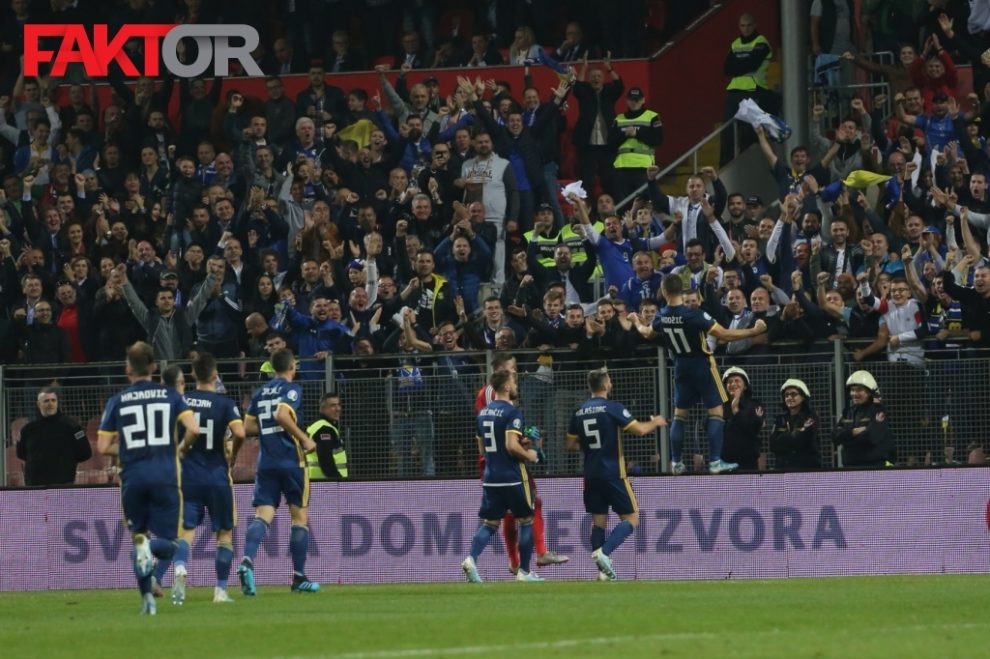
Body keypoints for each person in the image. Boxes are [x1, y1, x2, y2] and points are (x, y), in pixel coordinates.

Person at [96, 341, 199, 616]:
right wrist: (179, 449)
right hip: (165, 474)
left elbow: (103, 446)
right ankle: (149, 549)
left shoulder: (117, 401)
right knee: (171, 543)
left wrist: (128, 449)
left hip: (132, 476)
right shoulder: (171, 396)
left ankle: (147, 601)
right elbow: (193, 429)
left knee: (138, 537)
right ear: (154, 367)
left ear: (127, 369)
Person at [631, 275, 767, 474]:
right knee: (716, 412)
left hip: (680, 366)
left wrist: (636, 320)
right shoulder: (694, 315)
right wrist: (753, 331)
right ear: (681, 290)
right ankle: (715, 461)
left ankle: (676, 462)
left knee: (679, 414)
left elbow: (647, 333)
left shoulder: (662, 315)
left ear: (664, 291)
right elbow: (724, 334)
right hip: (702, 365)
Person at [232, 348, 319, 595]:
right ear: (293, 366)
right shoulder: (292, 389)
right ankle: (299, 577)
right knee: (299, 518)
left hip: (266, 461)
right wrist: (304, 438)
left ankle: (247, 561)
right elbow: (282, 414)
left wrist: (267, 428)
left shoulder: (260, 392)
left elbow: (248, 425)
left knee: (262, 515)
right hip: (291, 460)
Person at [565, 367, 666, 581]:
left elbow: (571, 444)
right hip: (612, 473)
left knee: (599, 522)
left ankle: (603, 573)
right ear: (605, 385)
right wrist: (656, 422)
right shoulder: (612, 408)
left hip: (590, 474)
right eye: (609, 380)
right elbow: (639, 430)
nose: (611, 383)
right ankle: (604, 552)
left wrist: (591, 447)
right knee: (632, 518)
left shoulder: (579, 411)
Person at [473, 352, 569, 575]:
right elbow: (499, 425)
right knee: (521, 511)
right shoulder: (493, 394)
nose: (515, 372)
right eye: (512, 368)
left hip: (494, 461)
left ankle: (518, 560)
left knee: (521, 508)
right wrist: (526, 446)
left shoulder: (488, 395)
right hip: (503, 461)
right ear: (500, 371)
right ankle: (525, 560)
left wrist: (523, 433)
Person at [461, 369, 543, 583]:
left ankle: (471, 559)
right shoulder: (512, 412)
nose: (515, 385)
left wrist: (519, 442)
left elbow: (482, 449)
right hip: (513, 476)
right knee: (526, 520)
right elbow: (510, 445)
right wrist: (530, 454)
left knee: (490, 523)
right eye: (513, 381)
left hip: (490, 476)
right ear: (506, 386)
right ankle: (524, 572)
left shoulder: (483, 413)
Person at [177, 353, 245, 604]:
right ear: (215, 375)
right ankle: (220, 590)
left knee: (186, 530)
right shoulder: (225, 403)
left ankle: (180, 566)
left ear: (193, 374)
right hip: (217, 475)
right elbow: (240, 432)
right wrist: (233, 455)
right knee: (224, 533)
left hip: (188, 476)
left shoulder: (181, 401)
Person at [721, 12, 773, 166]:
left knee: (749, 133)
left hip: (754, 89)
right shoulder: (735, 43)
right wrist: (743, 65)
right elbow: (727, 69)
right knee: (727, 132)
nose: (746, 29)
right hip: (734, 91)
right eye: (743, 26)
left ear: (755, 25)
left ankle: (749, 165)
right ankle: (725, 166)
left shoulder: (761, 42)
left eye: (749, 25)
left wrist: (738, 65)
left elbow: (753, 64)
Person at [16, 387, 91, 486]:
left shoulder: (72, 426)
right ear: (38, 404)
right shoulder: (28, 429)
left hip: (63, 483)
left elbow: (85, 452)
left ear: (57, 403)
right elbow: (21, 453)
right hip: (35, 484)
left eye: (53, 400)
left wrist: (66, 462)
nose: (50, 404)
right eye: (46, 401)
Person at [832, 370, 895, 468]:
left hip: (875, 467)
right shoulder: (847, 412)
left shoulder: (878, 411)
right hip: (849, 467)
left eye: (859, 390)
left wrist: (846, 438)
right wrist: (853, 432)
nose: (854, 393)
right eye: (852, 390)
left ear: (869, 392)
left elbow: (871, 437)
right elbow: (834, 436)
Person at [610, 87, 663, 202]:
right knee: (623, 204)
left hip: (643, 166)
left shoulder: (652, 116)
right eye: (631, 100)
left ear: (643, 100)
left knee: (643, 202)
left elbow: (658, 139)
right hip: (622, 166)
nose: (634, 102)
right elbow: (610, 142)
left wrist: (637, 134)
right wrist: (625, 135)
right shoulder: (619, 119)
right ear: (627, 101)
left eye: (637, 100)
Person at [720, 367, 766, 471]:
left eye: (737, 380)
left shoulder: (755, 405)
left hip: (748, 463)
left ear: (745, 386)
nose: (733, 384)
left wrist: (735, 409)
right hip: (724, 464)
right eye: (729, 382)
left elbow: (753, 428)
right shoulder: (719, 407)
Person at [769, 379, 820, 470]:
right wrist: (792, 435)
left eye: (793, 394)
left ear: (803, 397)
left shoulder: (811, 417)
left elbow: (802, 439)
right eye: (786, 395)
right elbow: (773, 445)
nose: (789, 398)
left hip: (807, 469)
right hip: (783, 469)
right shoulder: (780, 419)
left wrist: (784, 437)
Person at [306, 392, 348, 480]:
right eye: (333, 405)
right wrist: (338, 480)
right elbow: (326, 460)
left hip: (316, 480)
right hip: (323, 482)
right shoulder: (324, 429)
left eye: (338, 405)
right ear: (322, 409)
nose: (338, 409)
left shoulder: (317, 425)